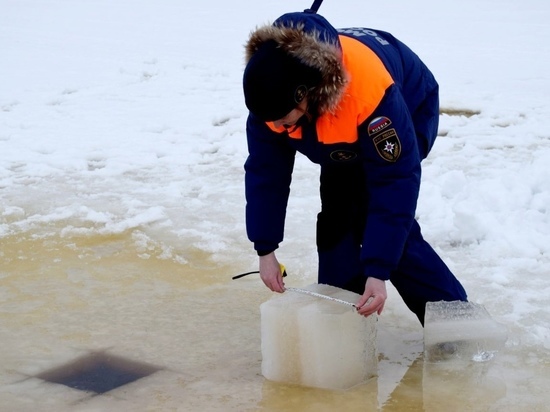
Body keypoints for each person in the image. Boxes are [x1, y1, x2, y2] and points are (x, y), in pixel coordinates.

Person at [242, 10, 467, 325]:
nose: (277, 127)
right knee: (337, 212)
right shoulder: (271, 98)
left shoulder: (370, 97)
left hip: (409, 105)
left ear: (303, 94)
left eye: (283, 120)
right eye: (271, 121)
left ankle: (454, 321)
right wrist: (265, 249)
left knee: (373, 215)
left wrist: (377, 270)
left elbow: (395, 183)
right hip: (336, 129)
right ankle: (342, 319)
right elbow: (266, 175)